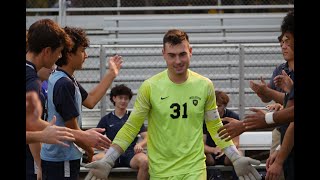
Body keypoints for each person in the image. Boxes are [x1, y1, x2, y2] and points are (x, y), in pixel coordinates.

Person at [84, 29, 262, 180]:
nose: (178, 61)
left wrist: (235, 157)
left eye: (182, 54)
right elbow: (131, 127)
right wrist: (108, 160)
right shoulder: (150, 86)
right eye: (172, 55)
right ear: (163, 54)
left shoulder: (204, 85)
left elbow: (215, 126)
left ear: (190, 51)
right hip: (161, 171)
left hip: (194, 170)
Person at [219, 11, 295, 180]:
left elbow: (291, 116)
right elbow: (288, 112)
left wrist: (252, 123)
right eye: (282, 41)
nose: (283, 45)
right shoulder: (282, 70)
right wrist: (279, 150)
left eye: (287, 40)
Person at [40, 26, 122, 180]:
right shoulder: (64, 84)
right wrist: (90, 152)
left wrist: (111, 74)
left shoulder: (65, 78)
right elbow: (74, 132)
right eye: (82, 50)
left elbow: (90, 100)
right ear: (70, 54)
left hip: (62, 157)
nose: (86, 55)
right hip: (61, 158)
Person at [26, 18, 73, 180]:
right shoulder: (32, 84)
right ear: (46, 51)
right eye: (58, 51)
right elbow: (31, 126)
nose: (59, 56)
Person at [92, 84, 149, 180]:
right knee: (95, 160)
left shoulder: (133, 118)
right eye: (120, 98)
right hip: (112, 153)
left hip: (131, 154)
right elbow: (95, 139)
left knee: (145, 161)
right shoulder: (106, 119)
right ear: (114, 98)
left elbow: (148, 136)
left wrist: (141, 145)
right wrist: (104, 147)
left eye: (126, 98)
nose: (123, 101)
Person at [203, 90, 241, 180]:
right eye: (214, 106)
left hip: (226, 152)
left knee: (237, 156)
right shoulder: (204, 118)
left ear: (224, 105)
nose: (216, 109)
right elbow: (201, 144)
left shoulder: (232, 117)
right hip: (210, 153)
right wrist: (214, 150)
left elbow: (236, 142)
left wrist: (226, 149)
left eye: (219, 106)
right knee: (200, 156)